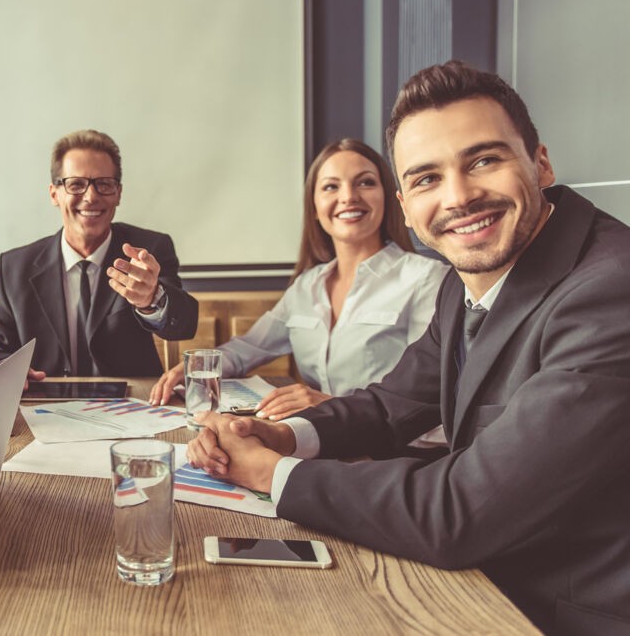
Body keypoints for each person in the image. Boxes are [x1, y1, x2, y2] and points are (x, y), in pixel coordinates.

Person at [187, 60, 630, 634]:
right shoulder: (464, 278)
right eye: (426, 179)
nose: (460, 197)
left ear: (540, 162)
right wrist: (282, 435)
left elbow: (463, 511)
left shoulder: (609, 289)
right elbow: (390, 403)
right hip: (479, 581)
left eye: (484, 160)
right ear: (406, 203)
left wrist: (271, 473)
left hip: (557, 612)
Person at [151, 139, 447, 432]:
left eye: (365, 183)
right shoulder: (306, 287)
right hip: (320, 441)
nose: (348, 197)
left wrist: (330, 406)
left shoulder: (427, 279)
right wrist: (198, 370)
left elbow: (426, 402)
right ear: (315, 208)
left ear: (389, 198)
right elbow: (249, 348)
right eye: (331, 186)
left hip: (395, 453)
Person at [0, 129, 198, 377]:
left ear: (118, 193)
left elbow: (184, 326)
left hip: (130, 406)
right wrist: (8, 371)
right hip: (44, 404)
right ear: (55, 194)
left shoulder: (149, 250)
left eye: (104, 184)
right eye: (76, 185)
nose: (91, 197)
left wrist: (152, 299)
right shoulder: (14, 267)